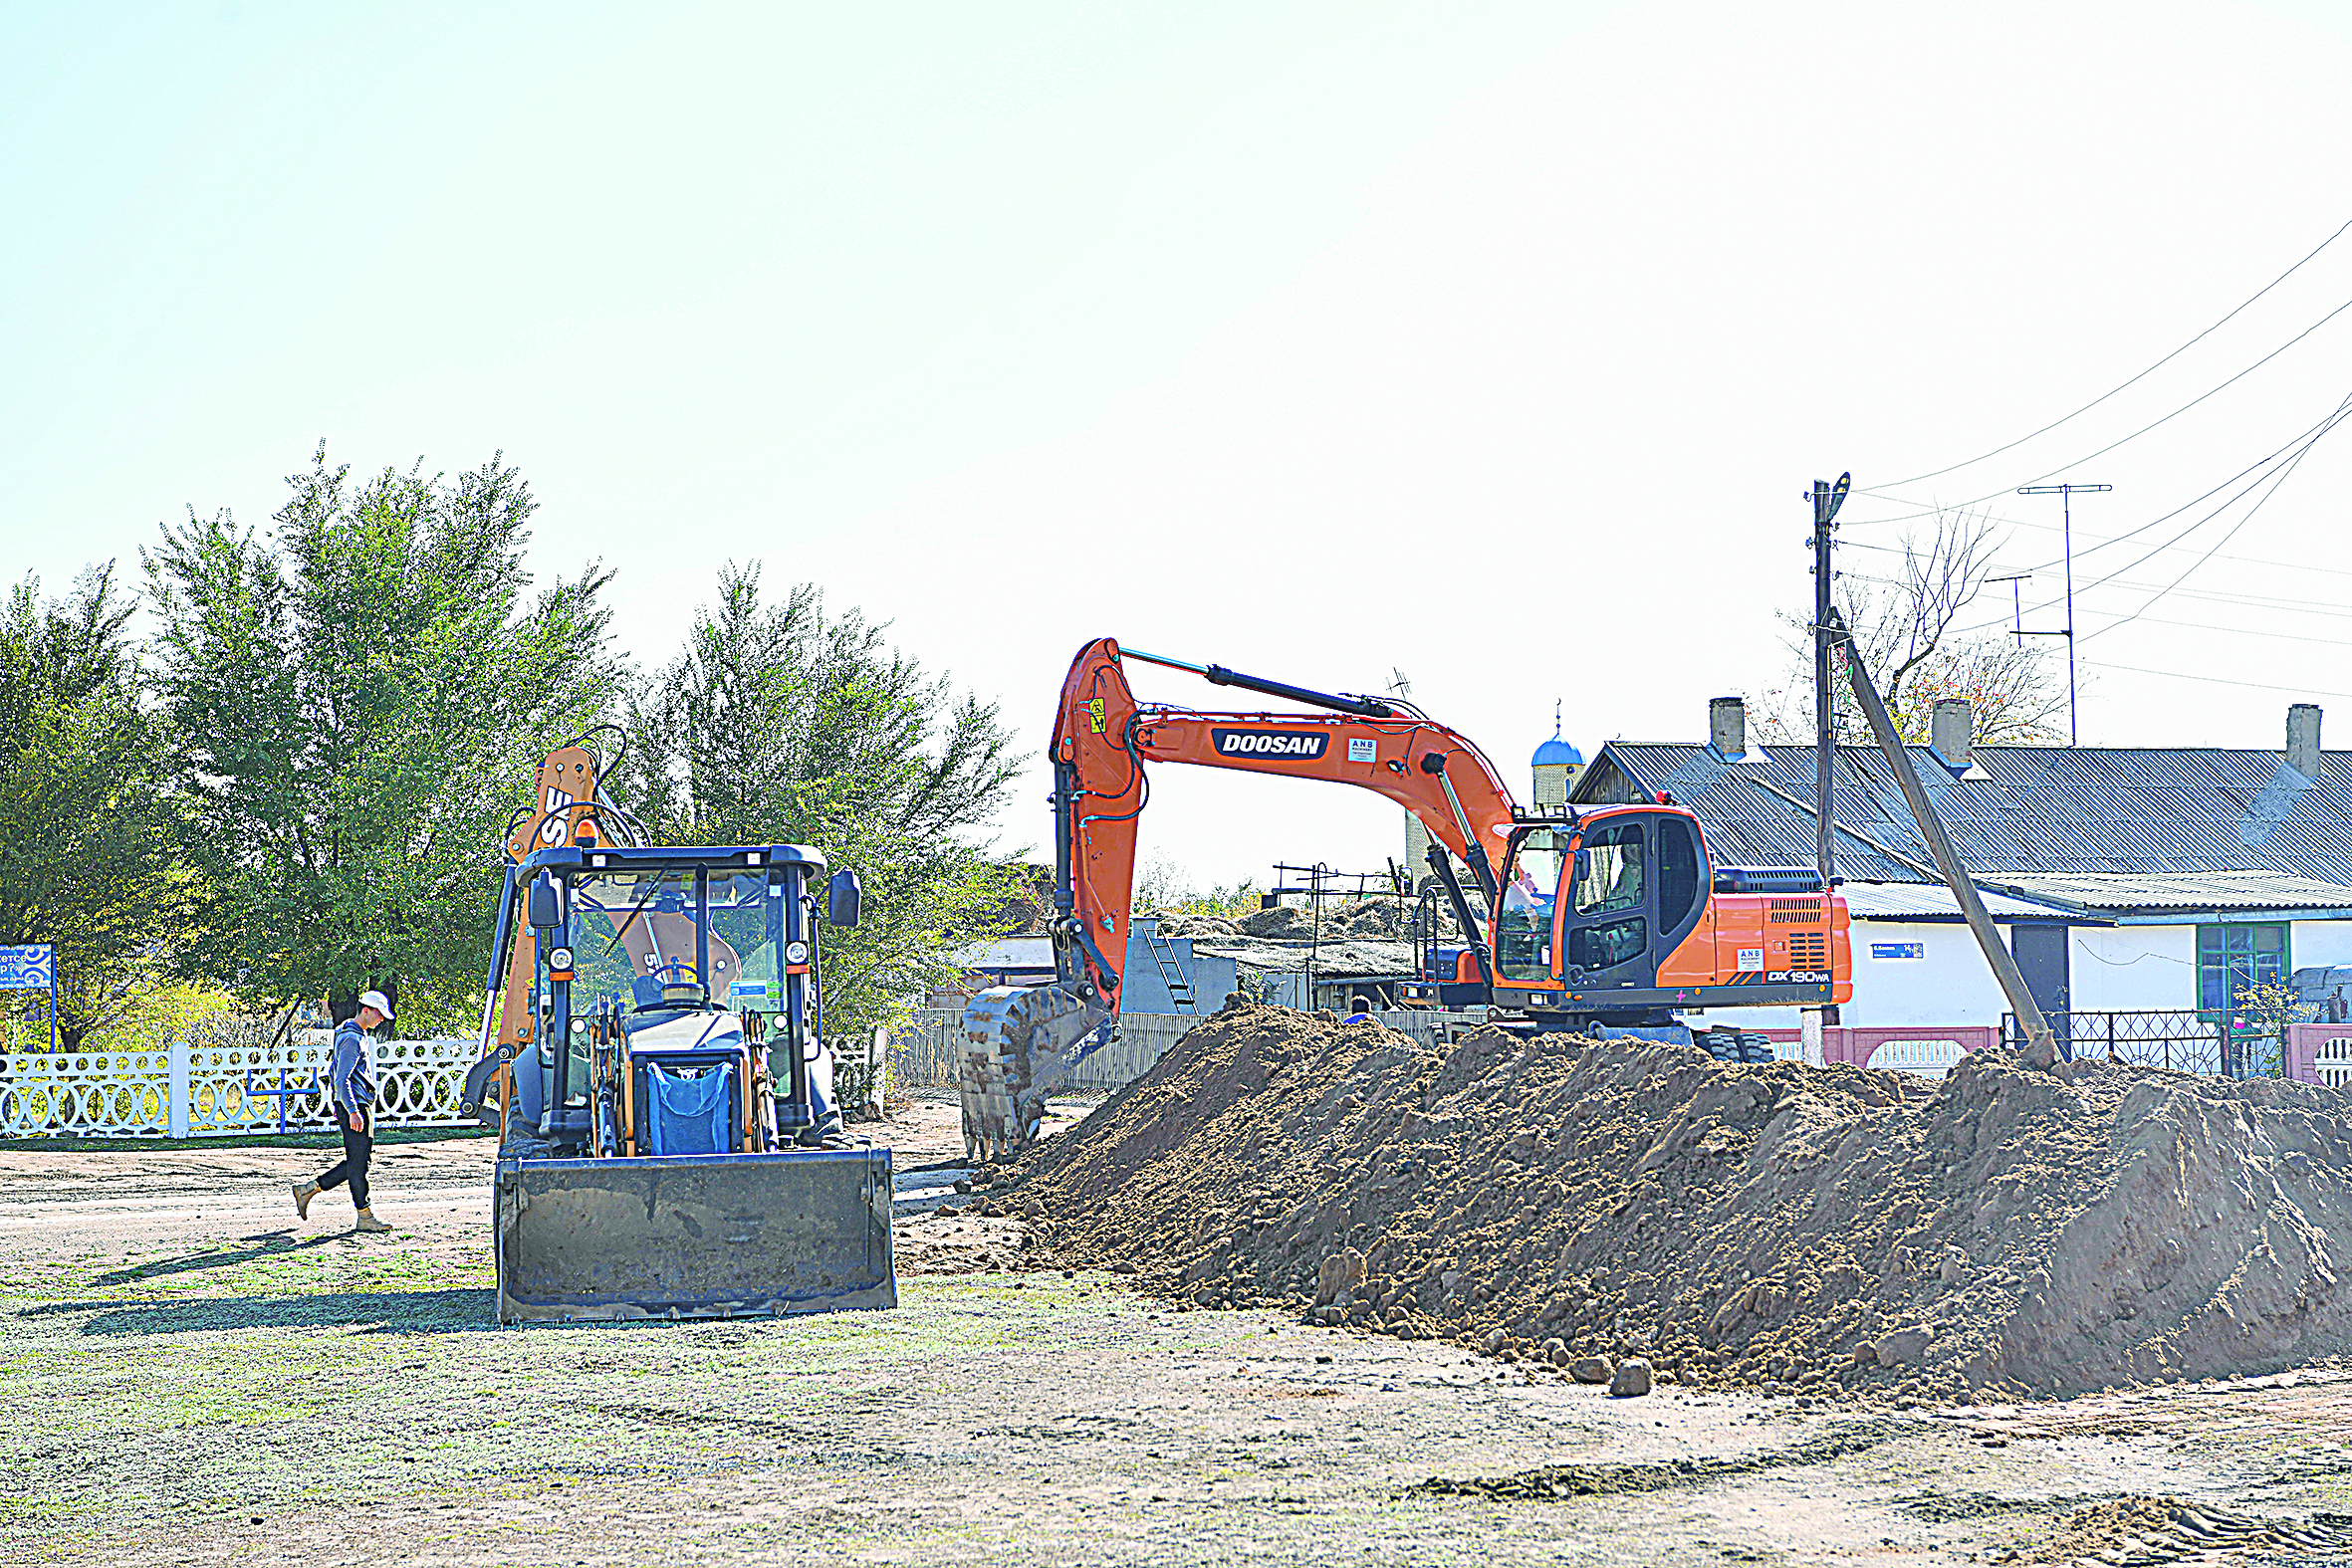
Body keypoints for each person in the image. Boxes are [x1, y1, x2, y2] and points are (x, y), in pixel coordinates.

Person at [293, 991, 394, 1232]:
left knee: (358, 1163)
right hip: (355, 1106)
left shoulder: (353, 1034)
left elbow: (334, 1073)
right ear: (366, 1010)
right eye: (379, 1014)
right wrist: (352, 1110)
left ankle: (310, 1189)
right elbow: (341, 1079)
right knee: (359, 1164)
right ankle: (364, 1215)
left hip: (356, 1105)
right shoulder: (352, 1038)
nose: (381, 1019)